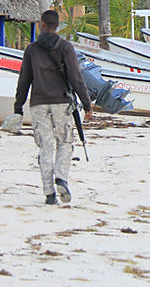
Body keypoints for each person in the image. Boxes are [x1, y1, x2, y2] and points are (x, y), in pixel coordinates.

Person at [13, 10, 92, 205]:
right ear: (57, 25)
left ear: (42, 24)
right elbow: (76, 77)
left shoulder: (32, 50)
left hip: (38, 103)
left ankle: (49, 194)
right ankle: (61, 178)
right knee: (65, 143)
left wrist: (18, 108)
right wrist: (87, 103)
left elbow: (24, 80)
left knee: (45, 147)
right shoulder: (65, 47)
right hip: (61, 103)